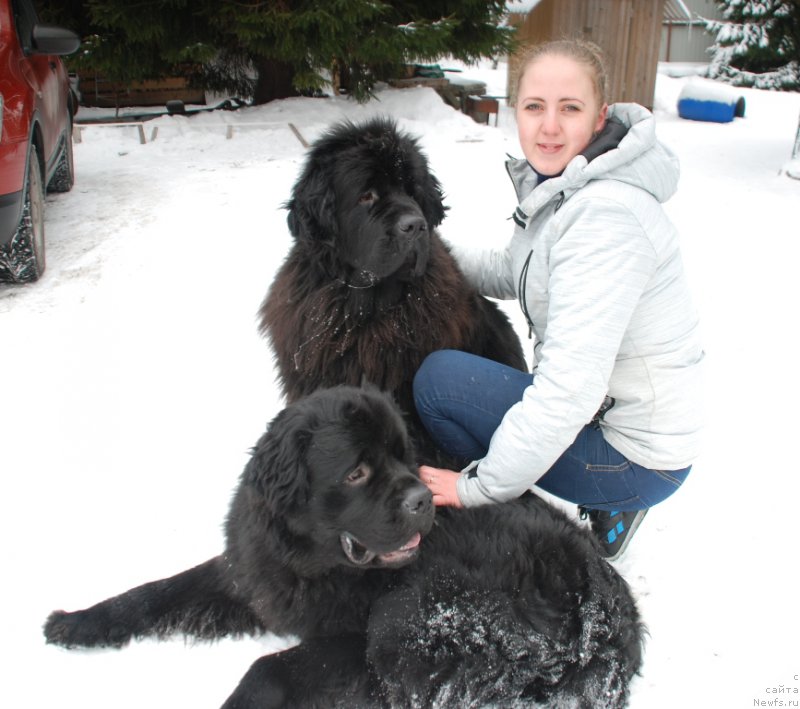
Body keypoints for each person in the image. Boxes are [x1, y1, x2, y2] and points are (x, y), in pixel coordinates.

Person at [413, 39, 704, 561]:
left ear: (600, 118)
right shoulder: (570, 186)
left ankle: (534, 514)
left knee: (439, 384)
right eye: (534, 107)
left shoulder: (604, 217)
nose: (549, 127)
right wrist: (424, 248)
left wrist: (476, 489)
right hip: (615, 419)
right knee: (459, 378)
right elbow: (514, 271)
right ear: (515, 114)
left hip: (633, 455)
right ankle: (603, 495)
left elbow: (569, 390)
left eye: (569, 108)